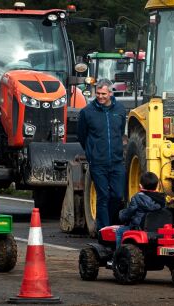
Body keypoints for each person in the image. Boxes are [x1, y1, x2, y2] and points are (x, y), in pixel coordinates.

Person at [78, 78, 126, 232]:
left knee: (118, 195)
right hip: (98, 162)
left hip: (117, 161)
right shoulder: (87, 112)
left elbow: (120, 132)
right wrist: (92, 152)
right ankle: (103, 230)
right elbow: (82, 136)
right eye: (98, 93)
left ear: (110, 93)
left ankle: (112, 225)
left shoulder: (120, 110)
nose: (100, 96)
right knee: (103, 196)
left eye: (103, 93)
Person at [115, 172, 166, 250]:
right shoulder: (162, 199)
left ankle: (117, 255)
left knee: (119, 231)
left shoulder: (137, 197)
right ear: (157, 186)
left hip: (139, 227)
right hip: (157, 228)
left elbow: (129, 212)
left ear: (140, 186)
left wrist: (121, 215)